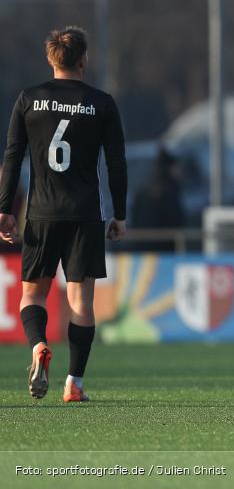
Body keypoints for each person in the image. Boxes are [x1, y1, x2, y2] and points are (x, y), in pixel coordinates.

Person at [0, 26, 127, 401]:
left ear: (50, 58)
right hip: (86, 214)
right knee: (81, 303)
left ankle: (39, 346)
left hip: (41, 213)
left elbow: (12, 156)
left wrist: (5, 209)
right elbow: (116, 162)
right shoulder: (101, 103)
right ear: (84, 59)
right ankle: (75, 383)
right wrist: (119, 212)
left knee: (32, 297)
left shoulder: (29, 99)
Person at [131, 147, 185, 251]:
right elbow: (177, 221)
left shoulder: (143, 191)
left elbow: (134, 218)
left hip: (141, 249)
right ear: (170, 169)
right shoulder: (170, 191)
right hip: (165, 250)